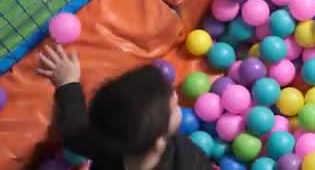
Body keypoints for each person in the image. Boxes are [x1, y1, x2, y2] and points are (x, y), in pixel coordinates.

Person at [36, 44, 213, 170]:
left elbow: (74, 131)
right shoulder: (186, 158)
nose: (176, 95)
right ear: (159, 143)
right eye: (174, 106)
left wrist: (67, 82)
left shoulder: (106, 142)